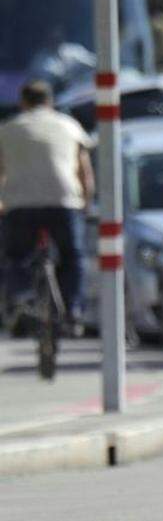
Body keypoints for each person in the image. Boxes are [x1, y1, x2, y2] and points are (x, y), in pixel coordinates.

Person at [0, 80, 94, 333]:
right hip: (64, 202)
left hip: (20, 204)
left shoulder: (8, 128)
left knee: (16, 257)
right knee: (73, 256)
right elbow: (84, 171)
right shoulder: (69, 126)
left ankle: (21, 296)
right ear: (50, 101)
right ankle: (73, 310)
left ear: (23, 102)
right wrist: (86, 204)